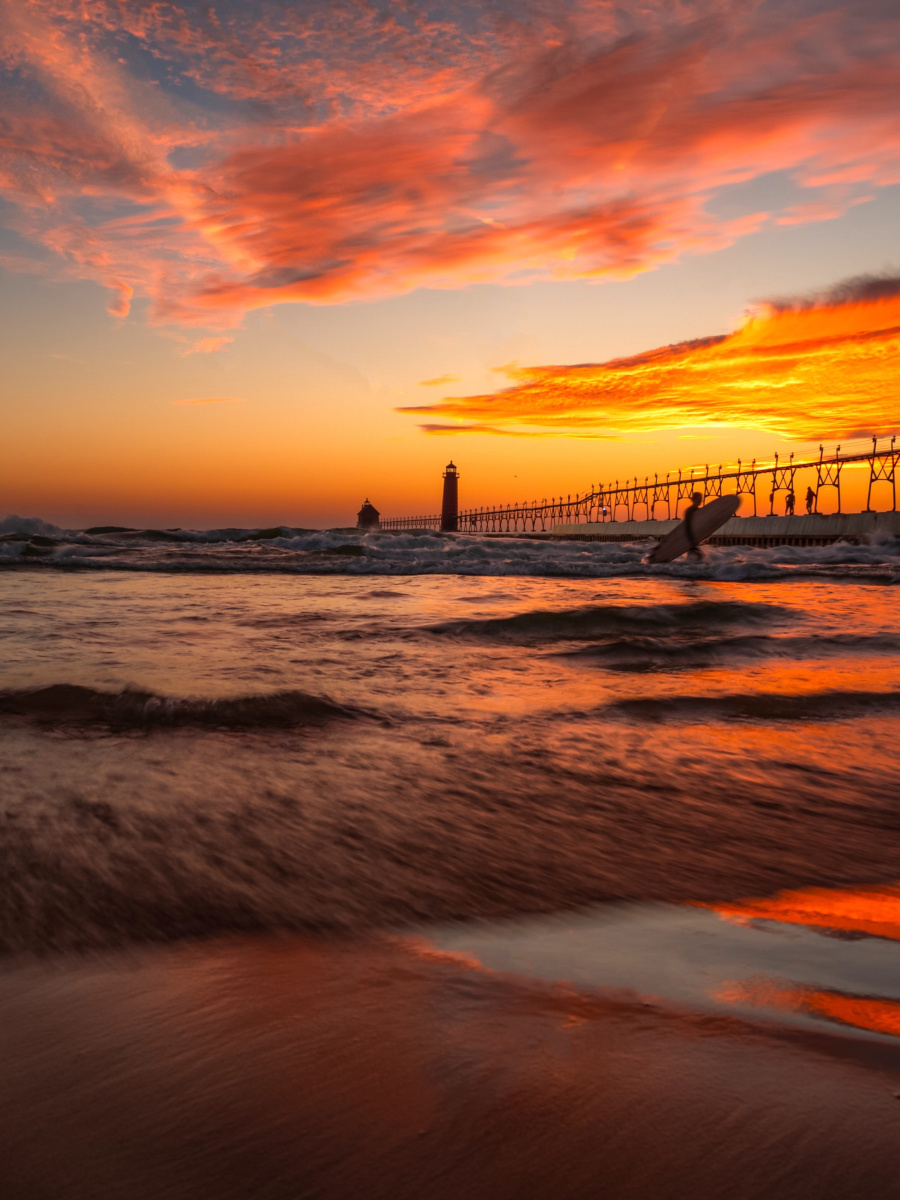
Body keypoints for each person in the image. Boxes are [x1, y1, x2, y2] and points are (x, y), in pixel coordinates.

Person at [683, 491, 704, 559]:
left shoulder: (699, 510)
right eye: (699, 499)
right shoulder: (689, 511)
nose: (701, 500)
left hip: (694, 540)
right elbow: (687, 527)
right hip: (690, 540)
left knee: (696, 558)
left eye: (701, 499)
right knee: (699, 557)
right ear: (694, 500)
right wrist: (691, 542)